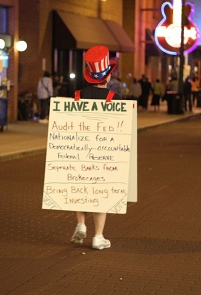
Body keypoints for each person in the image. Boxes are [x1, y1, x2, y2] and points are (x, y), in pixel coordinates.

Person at [70, 45, 122, 250]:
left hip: (79, 153)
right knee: (101, 194)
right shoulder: (114, 99)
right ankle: (98, 236)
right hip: (104, 155)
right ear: (107, 77)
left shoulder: (77, 96)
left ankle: (81, 224)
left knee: (80, 189)